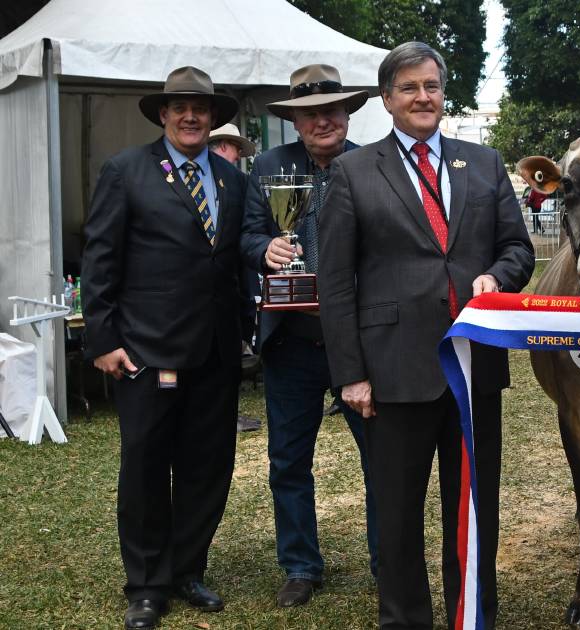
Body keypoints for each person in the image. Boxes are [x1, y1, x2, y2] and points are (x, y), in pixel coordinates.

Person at [316, 42, 534, 629]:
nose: (423, 97)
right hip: (391, 371)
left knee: (473, 508)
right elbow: (336, 283)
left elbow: (519, 247)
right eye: (409, 88)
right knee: (398, 512)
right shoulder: (353, 171)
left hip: (473, 368)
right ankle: (406, 619)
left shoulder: (483, 164)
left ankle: (473, 614)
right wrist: (350, 375)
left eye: (432, 86)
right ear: (387, 100)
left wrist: (500, 275)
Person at [81, 66, 264, 629]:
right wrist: (103, 339)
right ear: (162, 114)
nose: (190, 116)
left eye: (200, 108)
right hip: (145, 350)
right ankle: (145, 584)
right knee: (144, 467)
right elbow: (100, 257)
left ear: (214, 118)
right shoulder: (127, 170)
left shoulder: (234, 181)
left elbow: (233, 260)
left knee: (207, 467)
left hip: (214, 351)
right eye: (179, 107)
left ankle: (187, 569)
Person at [239, 63, 377, 608]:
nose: (323, 120)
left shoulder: (372, 164)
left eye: (332, 110)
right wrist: (264, 250)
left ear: (346, 114)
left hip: (360, 341)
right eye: (310, 113)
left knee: (381, 459)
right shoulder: (269, 167)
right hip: (292, 340)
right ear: (295, 122)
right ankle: (300, 565)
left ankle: (386, 559)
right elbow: (249, 233)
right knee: (287, 460)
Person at [207, 122, 263, 433]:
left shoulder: (237, 183)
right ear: (226, 146)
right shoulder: (235, 182)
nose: (240, 154)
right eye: (236, 148)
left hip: (235, 284)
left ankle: (229, 414)